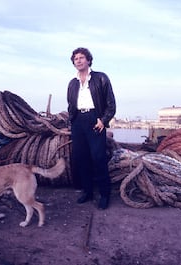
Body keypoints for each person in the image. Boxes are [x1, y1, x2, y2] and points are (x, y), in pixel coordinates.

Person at [67, 47, 116, 210]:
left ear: (88, 60)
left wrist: (103, 121)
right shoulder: (72, 83)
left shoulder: (101, 78)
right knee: (82, 158)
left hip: (95, 120)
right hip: (78, 121)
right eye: (75, 58)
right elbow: (70, 105)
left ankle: (104, 194)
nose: (78, 60)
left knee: (98, 158)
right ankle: (87, 192)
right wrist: (72, 121)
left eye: (82, 57)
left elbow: (111, 104)